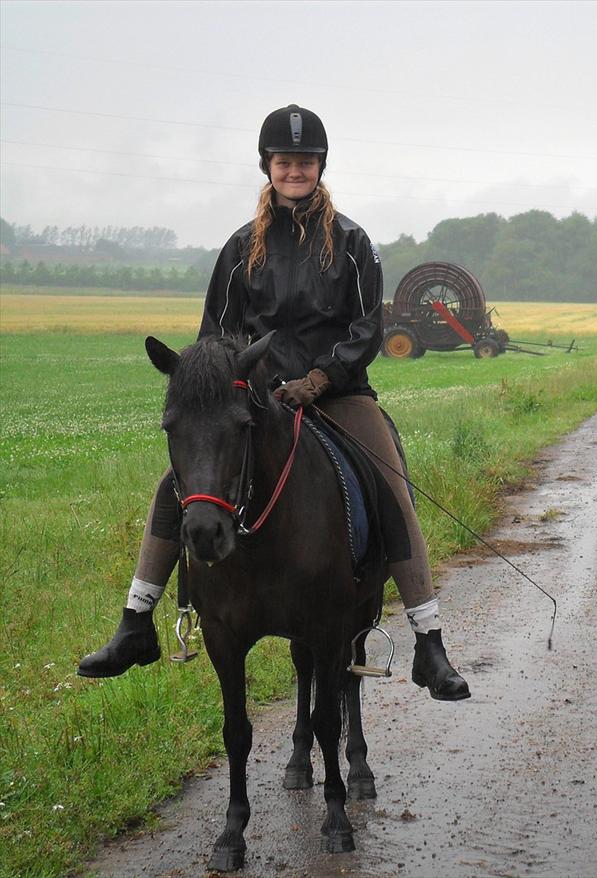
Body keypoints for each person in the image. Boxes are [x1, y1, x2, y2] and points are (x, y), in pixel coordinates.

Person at [78, 104, 470, 701]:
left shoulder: (352, 242)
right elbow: (216, 331)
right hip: (257, 400)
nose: (295, 170)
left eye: (305, 161)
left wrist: (318, 379)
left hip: (337, 395)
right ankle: (136, 622)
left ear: (320, 166)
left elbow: (366, 327)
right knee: (176, 485)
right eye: (284, 161)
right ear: (267, 166)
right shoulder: (240, 248)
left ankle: (429, 641)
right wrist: (238, 387)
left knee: (389, 481)